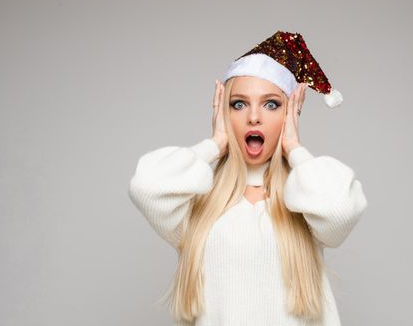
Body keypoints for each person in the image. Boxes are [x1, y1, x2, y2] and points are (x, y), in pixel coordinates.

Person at [128, 31, 368, 326]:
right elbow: (147, 186)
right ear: (224, 113)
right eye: (239, 104)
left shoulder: (307, 200)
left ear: (292, 112)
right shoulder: (198, 203)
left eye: (271, 104)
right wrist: (215, 142)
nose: (254, 117)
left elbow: (340, 208)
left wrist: (294, 148)